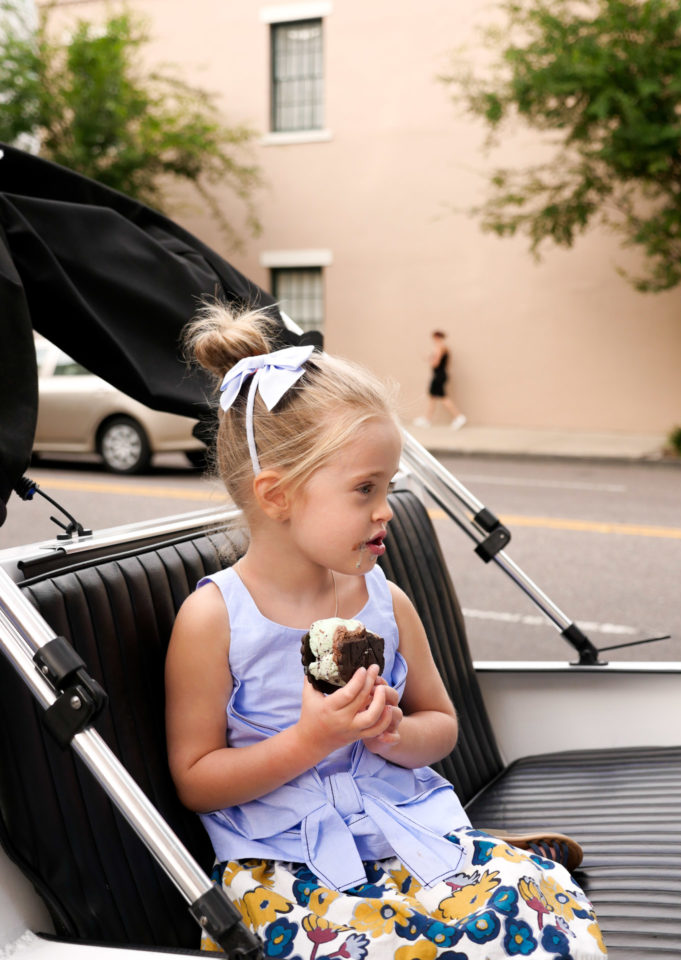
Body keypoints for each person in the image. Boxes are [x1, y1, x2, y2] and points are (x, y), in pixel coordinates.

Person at [165, 302, 606, 959]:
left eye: (389, 486)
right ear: (277, 495)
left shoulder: (384, 601)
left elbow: (442, 725)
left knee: (534, 912)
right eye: (365, 489)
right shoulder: (215, 619)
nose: (386, 511)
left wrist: (394, 733)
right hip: (289, 868)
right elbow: (197, 778)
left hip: (404, 835)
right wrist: (311, 739)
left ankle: (502, 867)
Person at [414, 330, 467, 430]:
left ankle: (459, 416)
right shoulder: (443, 348)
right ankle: (427, 419)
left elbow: (436, 363)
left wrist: (429, 359)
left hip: (439, 376)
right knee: (432, 397)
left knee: (443, 397)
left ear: (436, 337)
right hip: (439, 375)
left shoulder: (440, 347)